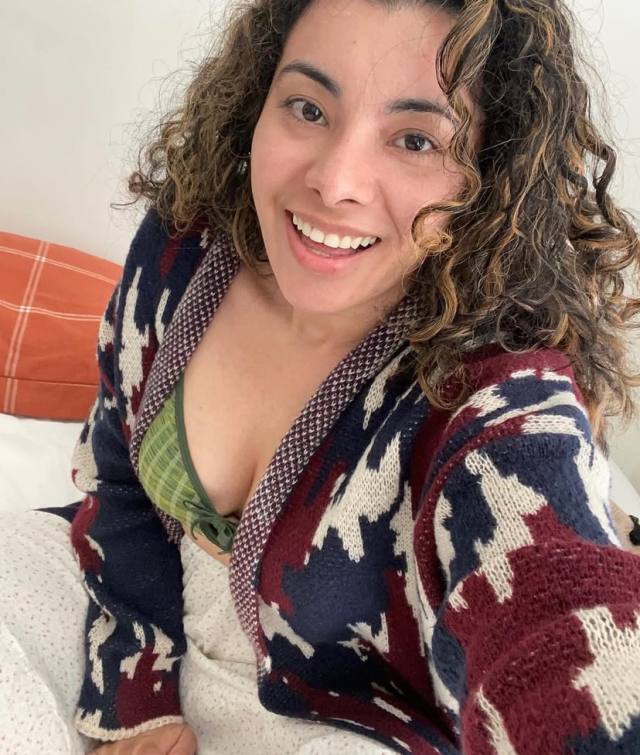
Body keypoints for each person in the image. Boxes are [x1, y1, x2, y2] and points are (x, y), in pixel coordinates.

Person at [2, 0, 640, 752]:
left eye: (415, 139)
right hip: (130, 599)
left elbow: (560, 611)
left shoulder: (498, 394)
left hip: (340, 719)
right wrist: (136, 688)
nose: (336, 181)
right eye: (308, 108)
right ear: (257, 100)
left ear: (490, 175)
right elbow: (118, 475)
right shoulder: (184, 246)